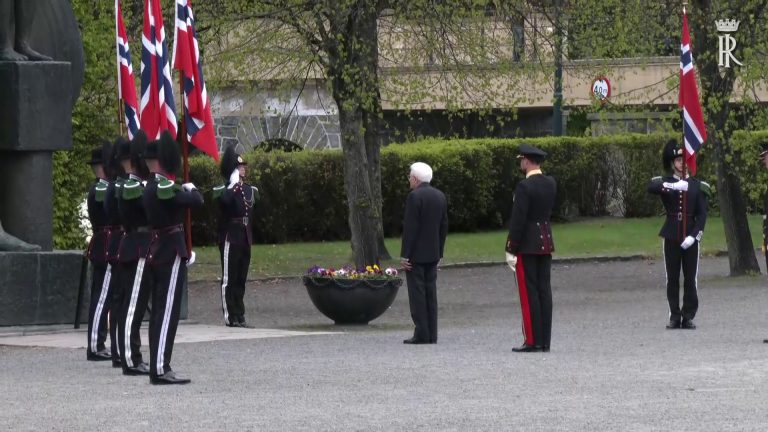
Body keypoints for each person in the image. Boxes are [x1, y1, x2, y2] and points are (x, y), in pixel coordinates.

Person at [142, 131, 204, 385]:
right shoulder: (163, 187)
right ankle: (160, 367)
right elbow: (197, 200)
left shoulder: (151, 187)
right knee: (167, 310)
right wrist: (191, 187)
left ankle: (159, 364)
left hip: (160, 249)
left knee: (160, 310)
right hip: (170, 250)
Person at [647, 139, 708, 330]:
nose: (682, 163)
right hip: (672, 234)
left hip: (690, 236)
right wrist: (673, 186)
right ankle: (674, 315)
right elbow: (651, 187)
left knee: (690, 278)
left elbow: (702, 215)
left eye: (684, 160)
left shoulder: (698, 185)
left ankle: (688, 315)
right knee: (672, 278)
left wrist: (694, 236)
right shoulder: (666, 182)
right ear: (673, 163)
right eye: (678, 160)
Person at [505, 144, 557, 353]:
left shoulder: (524, 187)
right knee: (544, 291)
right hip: (545, 241)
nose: (520, 163)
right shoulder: (550, 183)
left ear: (526, 161)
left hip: (527, 244)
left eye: (521, 160)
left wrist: (511, 247)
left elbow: (518, 220)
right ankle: (545, 340)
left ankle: (532, 340)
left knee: (529, 294)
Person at [116, 130, 152, 375]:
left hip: (139, 243)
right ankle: (131, 357)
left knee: (135, 305)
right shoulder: (132, 185)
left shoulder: (136, 184)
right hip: (137, 243)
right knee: (133, 306)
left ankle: (132, 354)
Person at [400, 162, 448, 345]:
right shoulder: (440, 196)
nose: (409, 180)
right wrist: (440, 252)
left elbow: (410, 228)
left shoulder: (414, 197)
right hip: (433, 252)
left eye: (410, 177)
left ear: (415, 179)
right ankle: (432, 333)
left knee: (417, 293)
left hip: (416, 255)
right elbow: (443, 227)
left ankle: (421, 332)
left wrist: (405, 255)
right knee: (431, 293)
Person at [214, 147, 259, 328]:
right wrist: (232, 186)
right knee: (229, 278)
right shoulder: (224, 190)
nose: (243, 169)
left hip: (244, 235)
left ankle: (240, 314)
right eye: (239, 167)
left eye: (243, 166)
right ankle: (230, 316)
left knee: (241, 278)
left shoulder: (249, 190)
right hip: (230, 236)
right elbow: (223, 203)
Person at [85, 141, 114, 361]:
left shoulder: (104, 187)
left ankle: (101, 341)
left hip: (108, 245)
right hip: (105, 245)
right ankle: (95, 344)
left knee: (107, 296)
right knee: (102, 297)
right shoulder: (101, 189)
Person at [104, 139, 126, 367]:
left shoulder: (116, 186)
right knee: (119, 299)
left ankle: (120, 348)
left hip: (119, 242)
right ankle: (118, 349)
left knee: (120, 299)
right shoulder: (118, 187)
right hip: (121, 243)